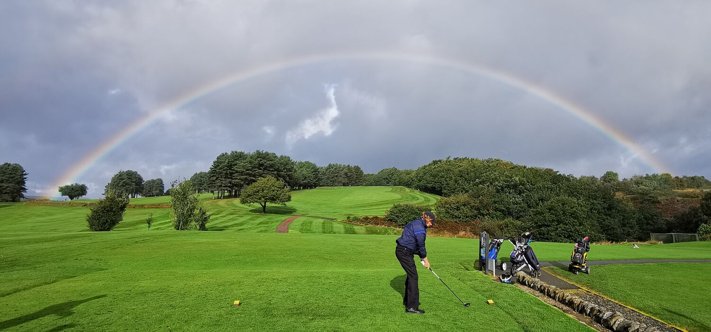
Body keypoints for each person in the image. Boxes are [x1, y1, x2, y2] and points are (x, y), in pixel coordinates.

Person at [395, 211, 435, 314]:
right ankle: (412, 307)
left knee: (411, 275)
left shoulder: (417, 223)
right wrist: (425, 258)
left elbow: (413, 243)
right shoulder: (420, 228)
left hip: (405, 251)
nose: (431, 225)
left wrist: (421, 257)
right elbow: (420, 244)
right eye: (431, 222)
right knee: (413, 276)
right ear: (427, 218)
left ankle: (408, 302)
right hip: (404, 251)